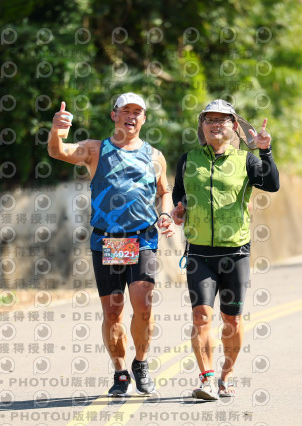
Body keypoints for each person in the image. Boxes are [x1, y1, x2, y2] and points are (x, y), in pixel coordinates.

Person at [49, 93, 175, 396]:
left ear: (144, 118)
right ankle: (120, 372)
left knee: (143, 306)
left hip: (142, 238)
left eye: (137, 112)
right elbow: (58, 151)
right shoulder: (96, 149)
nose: (131, 116)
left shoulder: (155, 156)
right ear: (113, 115)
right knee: (113, 312)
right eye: (125, 111)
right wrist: (57, 130)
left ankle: (140, 363)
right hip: (107, 239)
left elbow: (165, 191)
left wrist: (166, 213)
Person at [171, 99, 279, 400]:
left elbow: (272, 184)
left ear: (234, 126)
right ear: (202, 126)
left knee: (232, 320)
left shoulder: (246, 160)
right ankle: (206, 378)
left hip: (235, 253)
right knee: (201, 317)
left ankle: (226, 375)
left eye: (223, 119)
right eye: (210, 120)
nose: (216, 124)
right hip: (199, 253)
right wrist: (178, 211)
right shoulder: (188, 160)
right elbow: (180, 195)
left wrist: (265, 151)